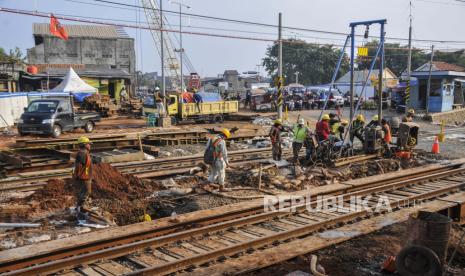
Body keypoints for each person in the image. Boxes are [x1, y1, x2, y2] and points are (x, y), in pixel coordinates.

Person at [74, 136, 93, 211]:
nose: (90, 145)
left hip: (84, 177)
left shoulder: (84, 153)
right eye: (89, 144)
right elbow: (78, 166)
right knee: (86, 192)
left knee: (83, 193)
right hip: (83, 178)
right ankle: (81, 208)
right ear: (84, 145)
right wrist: (79, 176)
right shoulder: (82, 154)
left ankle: (79, 208)